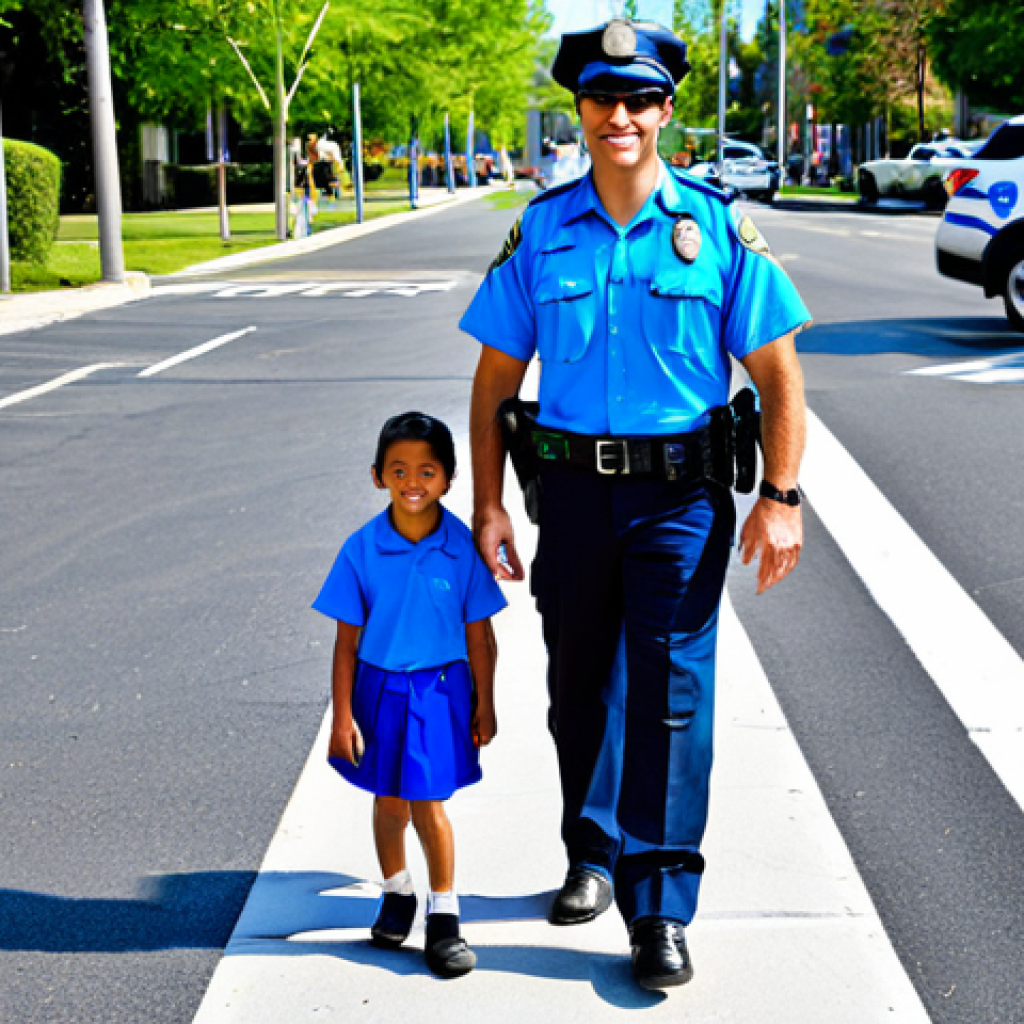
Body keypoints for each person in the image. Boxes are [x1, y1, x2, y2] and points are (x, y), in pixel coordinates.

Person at [461, 18, 810, 991]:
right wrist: (486, 504)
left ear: (664, 110)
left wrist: (779, 498)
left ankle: (657, 905)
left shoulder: (717, 230)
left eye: (639, 98)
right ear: (580, 108)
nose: (620, 115)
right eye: (602, 97)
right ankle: (592, 848)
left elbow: (778, 374)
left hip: (679, 502)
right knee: (579, 688)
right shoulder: (540, 232)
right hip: (569, 495)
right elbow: (492, 379)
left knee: (670, 697)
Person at [313, 412, 506, 978]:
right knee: (388, 799)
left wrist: (486, 702)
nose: (412, 481)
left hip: (441, 691)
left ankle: (443, 915)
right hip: (378, 689)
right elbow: (346, 644)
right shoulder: (361, 549)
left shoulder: (461, 549)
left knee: (427, 801)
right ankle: (397, 892)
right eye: (398, 470)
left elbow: (481, 634)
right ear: (378, 476)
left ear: (448, 478)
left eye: (427, 470)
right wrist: (342, 716)